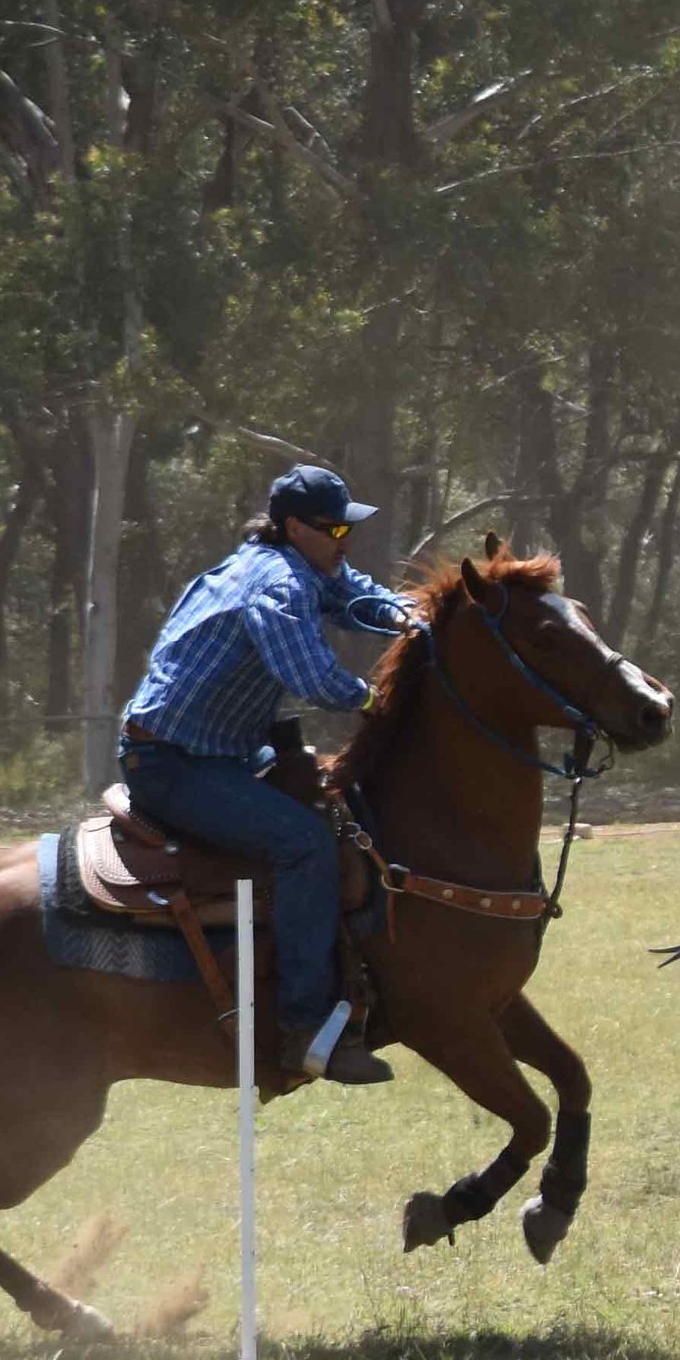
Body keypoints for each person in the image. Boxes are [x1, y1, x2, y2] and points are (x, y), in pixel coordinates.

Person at [120, 464, 412, 1083]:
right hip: (175, 764)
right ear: (293, 527)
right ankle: (304, 1025)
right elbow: (313, 678)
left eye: (347, 527)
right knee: (304, 845)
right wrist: (374, 700)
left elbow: (357, 595)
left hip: (222, 751)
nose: (345, 540)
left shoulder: (306, 567)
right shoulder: (276, 584)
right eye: (334, 528)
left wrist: (419, 620)